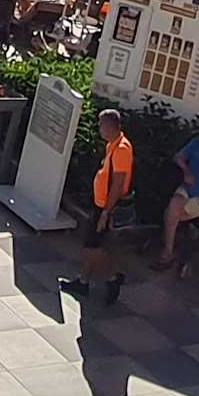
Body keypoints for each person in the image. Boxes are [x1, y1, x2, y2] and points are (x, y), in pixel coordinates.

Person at [60, 107, 132, 303]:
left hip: (105, 208)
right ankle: (83, 281)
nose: (99, 128)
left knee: (92, 249)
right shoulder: (113, 145)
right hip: (100, 204)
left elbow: (118, 184)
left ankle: (112, 278)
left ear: (110, 126)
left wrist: (106, 213)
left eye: (101, 125)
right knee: (92, 246)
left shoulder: (122, 149)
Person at [155, 118, 199, 269]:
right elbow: (178, 157)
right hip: (188, 188)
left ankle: (168, 250)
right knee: (173, 206)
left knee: (171, 215)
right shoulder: (195, 143)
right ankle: (168, 250)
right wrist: (186, 171)